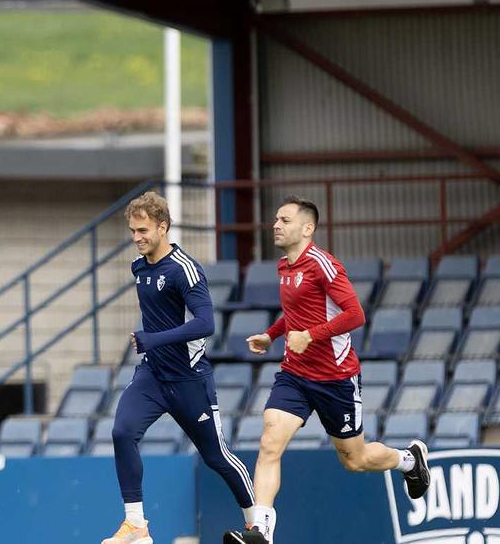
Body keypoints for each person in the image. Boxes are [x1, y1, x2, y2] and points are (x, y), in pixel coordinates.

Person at [222, 197, 430, 544]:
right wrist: (272, 335)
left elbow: (355, 315)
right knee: (269, 442)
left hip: (336, 379)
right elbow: (297, 313)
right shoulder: (284, 267)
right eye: (276, 219)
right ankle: (261, 532)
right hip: (294, 375)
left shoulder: (324, 265)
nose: (275, 224)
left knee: (356, 459)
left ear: (307, 228)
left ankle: (409, 461)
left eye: (284, 220)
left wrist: (312, 335)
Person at [102, 191, 255, 544]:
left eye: (143, 230)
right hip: (153, 375)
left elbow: (205, 324)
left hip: (190, 380)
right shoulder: (138, 266)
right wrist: (152, 348)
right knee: (121, 432)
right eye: (132, 231)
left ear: (163, 226)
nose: (137, 238)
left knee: (217, 457)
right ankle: (136, 525)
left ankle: (256, 523)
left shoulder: (184, 269)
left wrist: (154, 339)